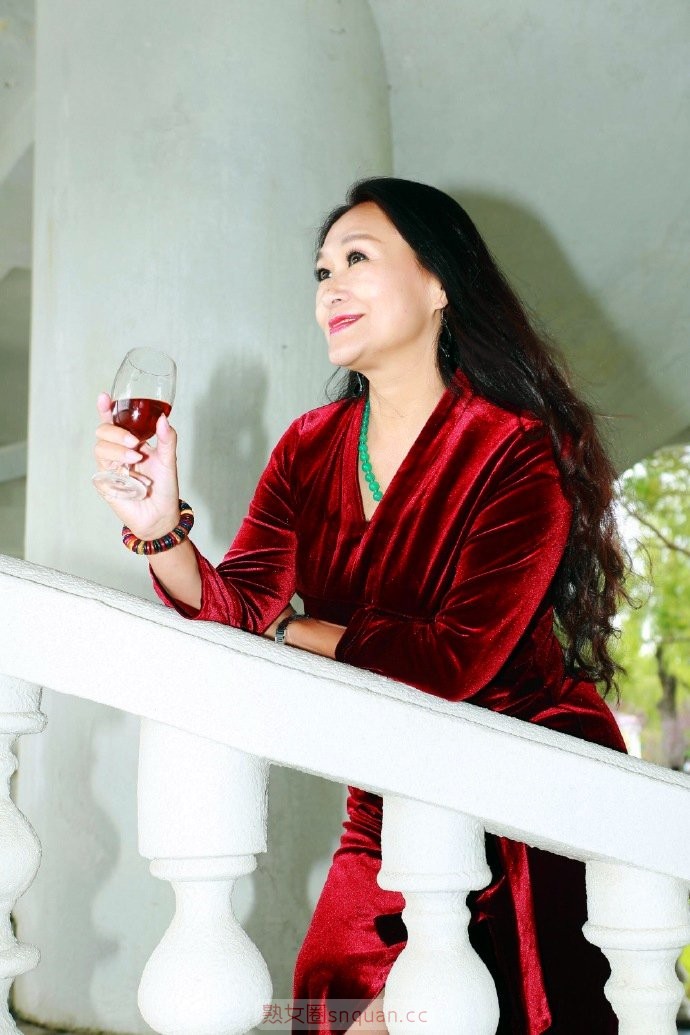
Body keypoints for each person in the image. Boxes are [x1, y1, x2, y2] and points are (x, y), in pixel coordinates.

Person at [94, 177, 628, 1034]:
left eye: (356, 259)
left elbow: (449, 663)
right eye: (320, 271)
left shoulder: (517, 451)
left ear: (439, 282)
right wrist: (160, 530)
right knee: (331, 1001)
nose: (329, 287)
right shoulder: (310, 448)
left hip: (524, 790)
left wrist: (291, 628)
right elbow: (237, 608)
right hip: (386, 791)